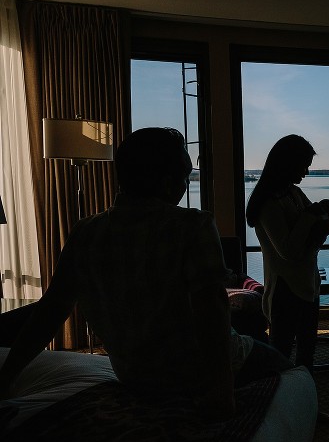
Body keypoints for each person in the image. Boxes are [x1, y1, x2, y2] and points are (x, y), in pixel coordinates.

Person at [0, 127, 291, 419]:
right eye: (185, 176)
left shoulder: (85, 233)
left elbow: (50, 312)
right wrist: (221, 392)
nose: (185, 186)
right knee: (289, 372)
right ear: (167, 183)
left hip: (136, 377)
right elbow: (211, 314)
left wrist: (6, 377)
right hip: (196, 373)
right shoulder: (192, 226)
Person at [245, 134, 329, 374]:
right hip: (285, 289)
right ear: (288, 163)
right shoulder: (269, 204)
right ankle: (282, 398)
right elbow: (290, 252)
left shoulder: (293, 194)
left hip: (308, 282)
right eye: (304, 165)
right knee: (281, 355)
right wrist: (314, 220)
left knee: (308, 349)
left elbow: (317, 231)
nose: (306, 172)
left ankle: (305, 394)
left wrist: (318, 224)